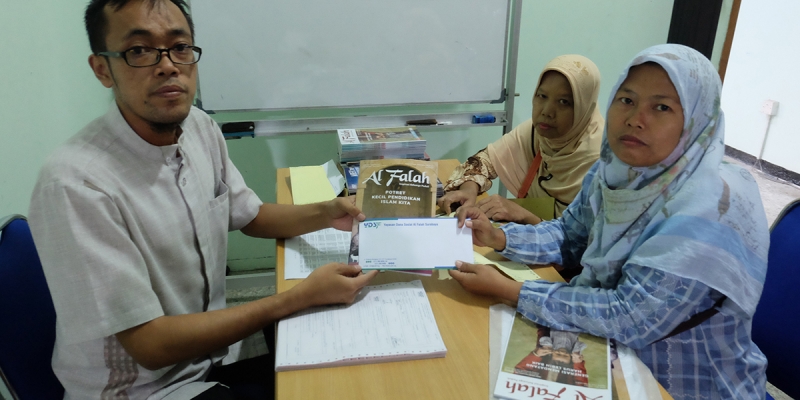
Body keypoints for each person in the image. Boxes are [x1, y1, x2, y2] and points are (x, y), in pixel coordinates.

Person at [27, 1, 378, 398]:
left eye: (180, 47)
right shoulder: (76, 184)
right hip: (147, 389)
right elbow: (150, 345)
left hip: (207, 359)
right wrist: (296, 298)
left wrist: (328, 212)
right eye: (139, 50)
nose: (167, 66)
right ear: (102, 69)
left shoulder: (198, 127)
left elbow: (251, 215)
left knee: (354, 366)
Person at [449, 44, 769, 399]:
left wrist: (510, 291)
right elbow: (569, 235)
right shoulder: (614, 171)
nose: (635, 119)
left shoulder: (710, 208)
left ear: (698, 118)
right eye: (627, 100)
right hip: (611, 355)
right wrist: (499, 237)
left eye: (661, 107)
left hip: (685, 382)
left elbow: (629, 316)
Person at [438, 55, 603, 224]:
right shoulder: (537, 132)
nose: (547, 111)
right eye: (542, 96)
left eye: (563, 102)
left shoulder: (601, 162)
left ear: (585, 107)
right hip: (530, 236)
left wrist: (524, 215)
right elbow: (485, 160)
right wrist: (469, 190)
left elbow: (585, 236)